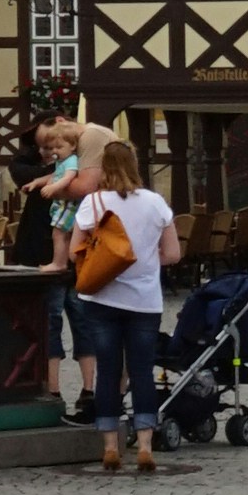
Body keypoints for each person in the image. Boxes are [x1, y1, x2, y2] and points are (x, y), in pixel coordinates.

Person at [68, 131, 174, 473]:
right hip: (144, 301)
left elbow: (74, 253)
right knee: (142, 371)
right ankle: (144, 445)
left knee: (109, 371)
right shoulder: (155, 203)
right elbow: (172, 254)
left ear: (103, 168)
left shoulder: (93, 204)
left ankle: (111, 446)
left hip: (101, 298)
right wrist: (146, 255)